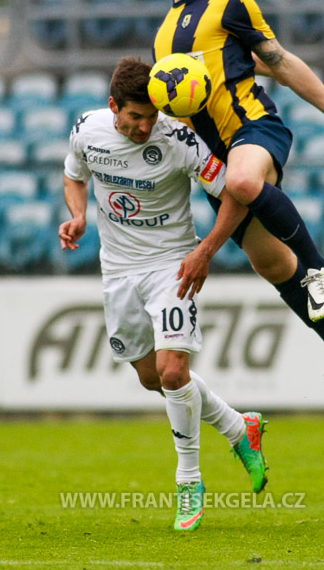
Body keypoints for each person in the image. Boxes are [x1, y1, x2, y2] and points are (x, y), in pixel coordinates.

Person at [153, 0, 324, 413]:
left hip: (255, 130)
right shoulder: (164, 34)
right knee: (271, 262)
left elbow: (279, 60)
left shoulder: (229, 1)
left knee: (245, 182)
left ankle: (319, 269)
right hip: (214, 164)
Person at [59, 57, 268, 532]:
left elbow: (236, 194)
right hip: (118, 270)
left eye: (151, 117)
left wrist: (204, 252)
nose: (144, 127)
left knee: (174, 372)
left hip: (172, 265)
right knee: (153, 378)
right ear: (114, 106)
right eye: (135, 117)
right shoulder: (87, 129)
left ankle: (189, 481)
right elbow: (74, 175)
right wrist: (78, 215)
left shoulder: (177, 139)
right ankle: (239, 427)